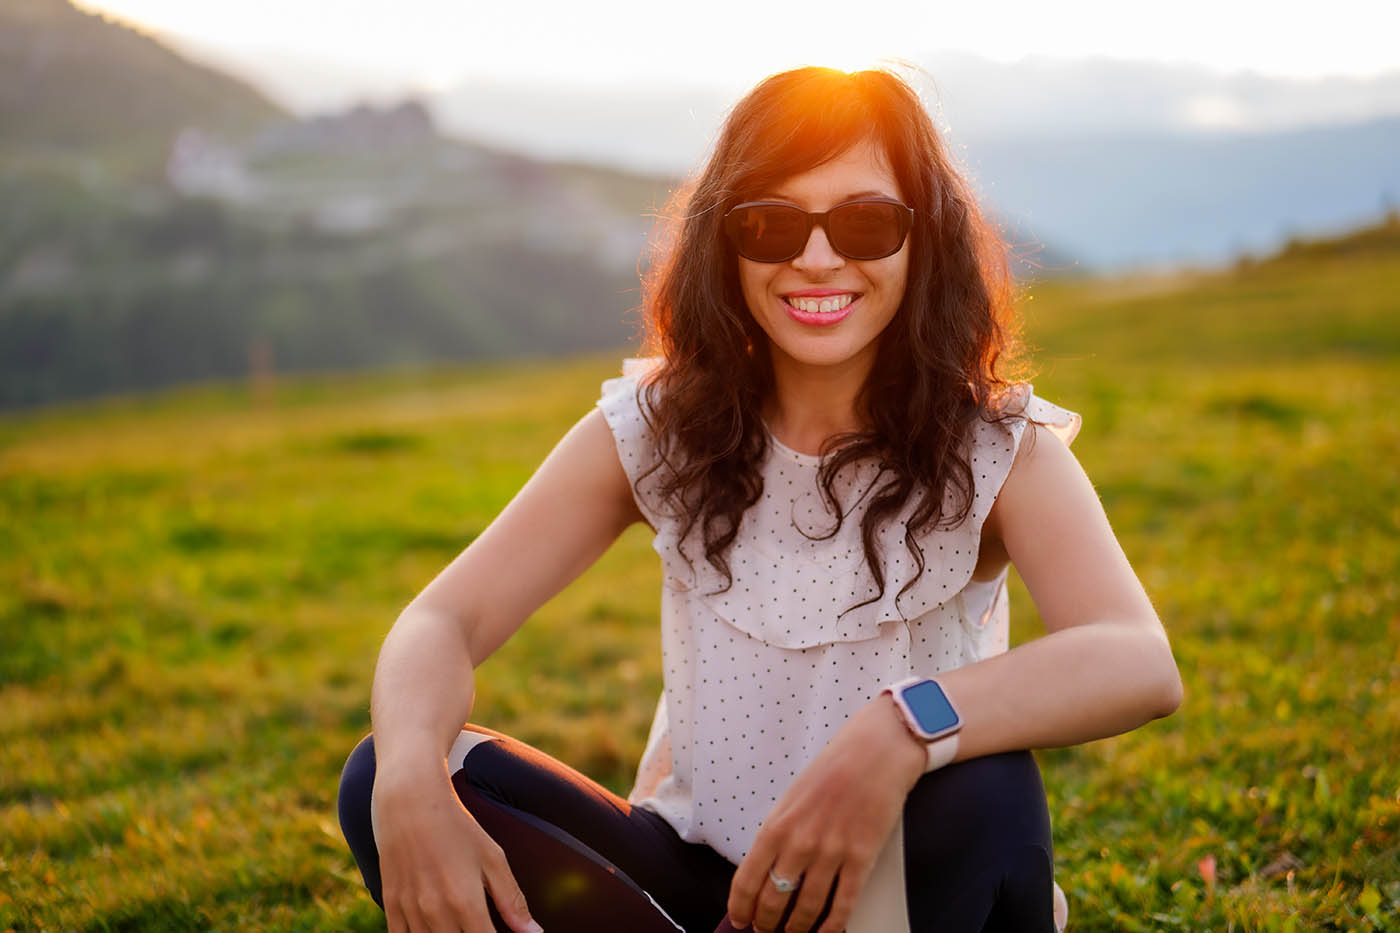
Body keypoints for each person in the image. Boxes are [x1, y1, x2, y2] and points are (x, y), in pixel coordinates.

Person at [338, 65, 1183, 933]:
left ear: (923, 238)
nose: (817, 258)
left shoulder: (998, 449)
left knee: (985, 784)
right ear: (725, 245)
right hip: (695, 887)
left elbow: (1136, 658)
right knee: (391, 772)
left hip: (887, 890)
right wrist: (407, 777)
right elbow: (442, 621)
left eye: (865, 220)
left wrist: (900, 730)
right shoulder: (659, 426)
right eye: (771, 224)